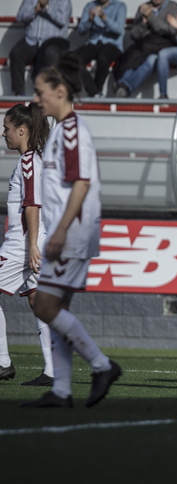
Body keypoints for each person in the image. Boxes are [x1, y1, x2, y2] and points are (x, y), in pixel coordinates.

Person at [21, 53, 122, 408]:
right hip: (65, 233)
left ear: (59, 91)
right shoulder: (60, 131)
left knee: (45, 305)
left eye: (40, 92)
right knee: (53, 307)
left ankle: (102, 365)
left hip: (73, 234)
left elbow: (80, 184)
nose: (36, 99)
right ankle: (62, 390)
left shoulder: (73, 131)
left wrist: (61, 231)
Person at [0, 103, 54, 387]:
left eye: (7, 128)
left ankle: (2, 362)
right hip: (34, 241)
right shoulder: (35, 159)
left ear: (22, 130)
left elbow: (33, 204)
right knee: (38, 301)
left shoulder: (29, 161)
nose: (3, 133)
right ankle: (54, 371)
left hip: (23, 243)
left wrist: (32, 245)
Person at [113, 0, 177, 98]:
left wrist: (151, 18)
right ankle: (124, 86)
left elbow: (170, 31)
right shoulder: (143, 8)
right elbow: (134, 35)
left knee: (149, 58)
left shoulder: (173, 7)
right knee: (147, 58)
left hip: (164, 47)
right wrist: (143, 23)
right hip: (145, 47)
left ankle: (124, 85)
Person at [8, 0, 72, 96]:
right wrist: (34, 10)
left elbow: (62, 20)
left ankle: (47, 93)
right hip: (31, 40)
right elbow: (20, 17)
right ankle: (19, 92)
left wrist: (46, 7)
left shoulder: (63, 1)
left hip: (52, 41)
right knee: (16, 53)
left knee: (51, 54)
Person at [73, 0, 127, 97]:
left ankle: (97, 90)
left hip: (113, 44)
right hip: (94, 43)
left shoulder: (120, 6)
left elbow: (119, 30)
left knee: (103, 57)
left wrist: (104, 18)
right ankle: (95, 92)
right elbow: (81, 31)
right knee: (73, 59)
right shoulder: (90, 6)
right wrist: (90, 20)